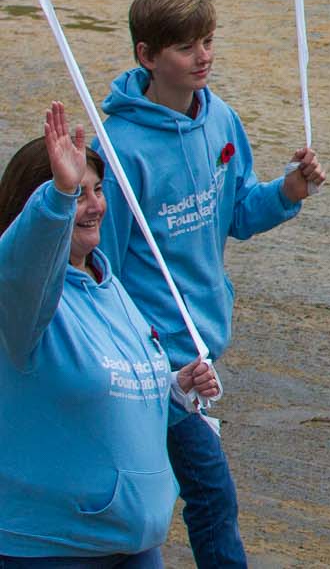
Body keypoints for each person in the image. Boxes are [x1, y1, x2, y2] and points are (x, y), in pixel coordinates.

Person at [97, 0, 327, 569]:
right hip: (153, 358)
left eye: (207, 41)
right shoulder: (121, 150)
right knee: (210, 496)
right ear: (147, 56)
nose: (203, 57)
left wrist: (288, 192)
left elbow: (239, 214)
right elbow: (103, 265)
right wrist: (145, 357)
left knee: (147, 496)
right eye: (185, 47)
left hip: (200, 350)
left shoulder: (220, 119)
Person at [1, 103, 221, 569]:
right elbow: (23, 265)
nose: (95, 205)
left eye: (97, 190)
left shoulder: (108, 283)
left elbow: (118, 385)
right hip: (53, 546)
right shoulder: (22, 302)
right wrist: (57, 197)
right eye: (78, 195)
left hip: (132, 542)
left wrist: (175, 390)